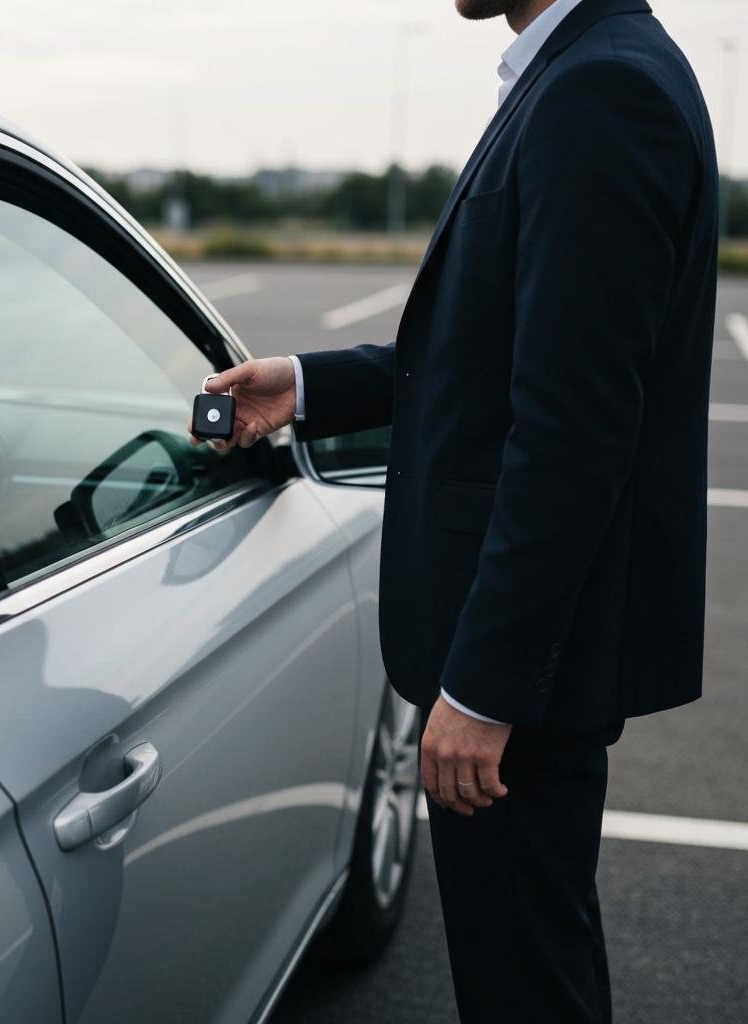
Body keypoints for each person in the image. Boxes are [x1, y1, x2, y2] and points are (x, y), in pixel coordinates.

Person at [190, 0, 718, 1020]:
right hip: (528, 664)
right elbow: (491, 357)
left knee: (524, 988)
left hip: (520, 678)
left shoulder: (600, 90)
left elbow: (570, 435)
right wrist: (307, 383)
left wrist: (483, 690)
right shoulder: (585, 70)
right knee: (535, 968)